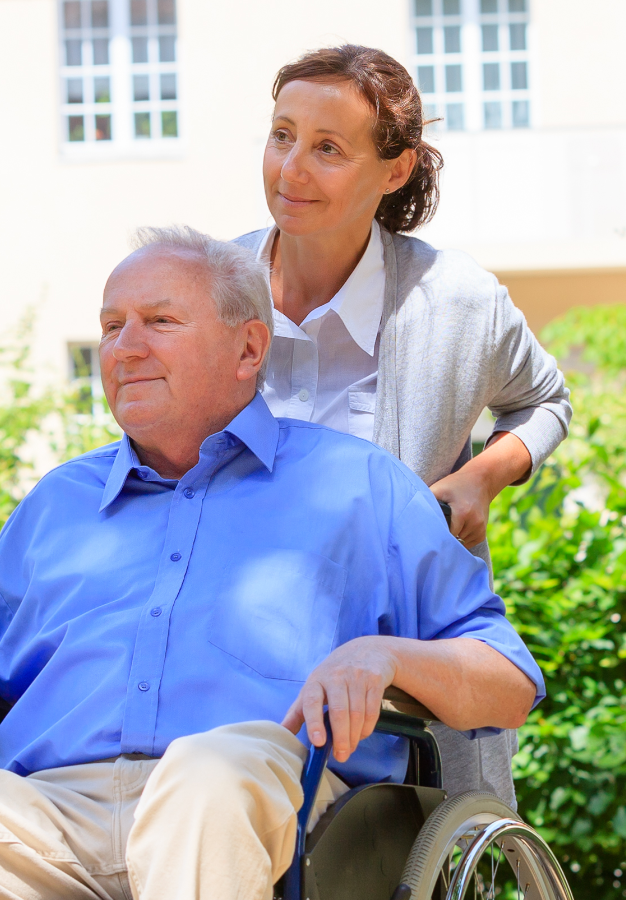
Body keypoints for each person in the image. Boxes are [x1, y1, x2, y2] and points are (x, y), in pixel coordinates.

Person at [0, 228, 544, 900]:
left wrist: (385, 656)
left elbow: (507, 681)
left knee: (203, 776)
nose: (125, 347)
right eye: (112, 326)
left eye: (160, 322)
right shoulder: (59, 502)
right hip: (48, 816)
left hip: (260, 800)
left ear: (249, 349)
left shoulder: (360, 486)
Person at [240, 45, 570, 807]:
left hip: (397, 675)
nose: (290, 170)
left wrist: (481, 477)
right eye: (282, 135)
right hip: (231, 651)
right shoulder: (215, 288)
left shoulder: (457, 302)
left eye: (327, 148)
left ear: (395, 170)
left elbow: (546, 401)